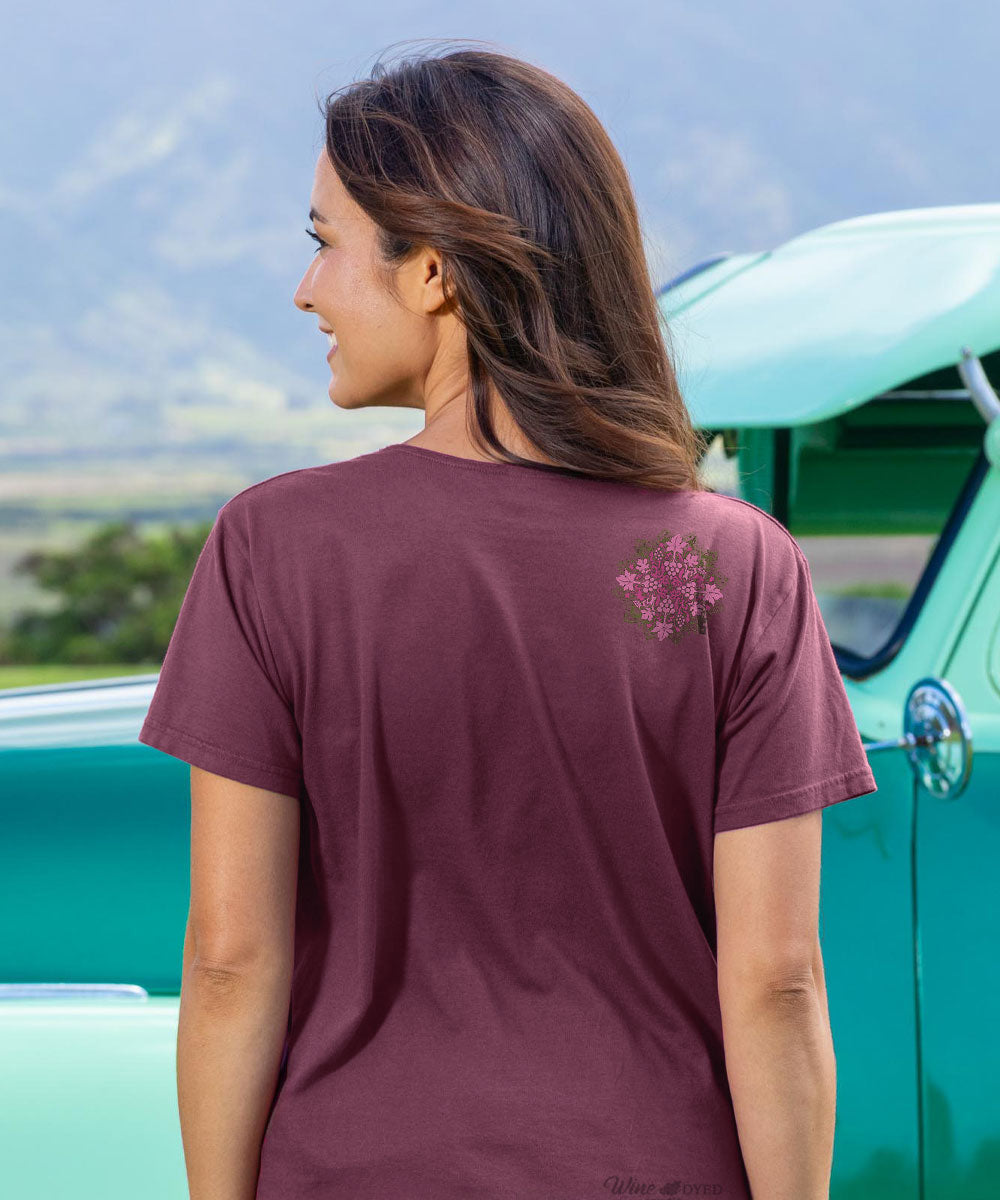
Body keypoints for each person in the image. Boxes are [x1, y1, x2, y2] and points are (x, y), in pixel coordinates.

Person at [137, 40, 878, 1200]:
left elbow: (231, 962)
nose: (305, 290)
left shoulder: (273, 549)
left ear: (432, 271)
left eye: (325, 245)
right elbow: (777, 982)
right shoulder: (736, 566)